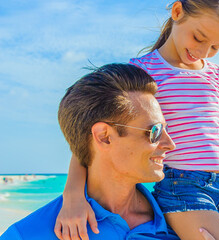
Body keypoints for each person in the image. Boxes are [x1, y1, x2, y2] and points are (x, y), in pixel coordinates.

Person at [56, 1, 219, 240]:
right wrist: (73, 196)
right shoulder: (142, 72)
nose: (203, 52)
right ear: (177, 12)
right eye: (199, 38)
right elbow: (89, 138)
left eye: (215, 47)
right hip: (184, 188)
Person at [0, 63, 178, 239]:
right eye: (155, 131)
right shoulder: (25, 235)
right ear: (104, 136)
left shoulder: (183, 223)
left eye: (166, 129)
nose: (170, 144)